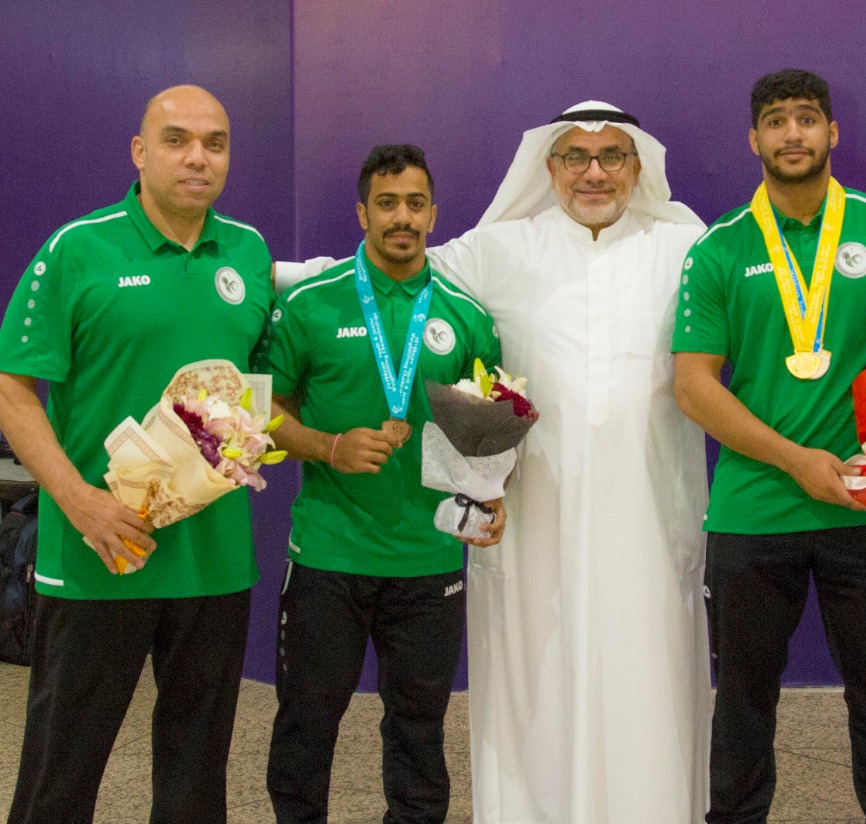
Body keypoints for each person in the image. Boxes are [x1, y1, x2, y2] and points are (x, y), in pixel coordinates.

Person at [277, 101, 713, 823]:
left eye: (612, 157)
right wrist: (254, 272)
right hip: (534, 524)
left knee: (646, 679)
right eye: (576, 156)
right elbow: (393, 265)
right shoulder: (503, 247)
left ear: (640, 167)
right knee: (536, 681)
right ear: (549, 167)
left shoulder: (686, 245)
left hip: (647, 521)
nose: (594, 172)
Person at [673, 69, 866, 824]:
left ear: (832, 132)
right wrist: (796, 461)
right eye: (776, 120)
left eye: (807, 119)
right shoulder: (718, 250)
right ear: (754, 140)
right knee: (741, 710)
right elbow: (694, 387)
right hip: (753, 512)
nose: (792, 133)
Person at [0, 85, 272, 824]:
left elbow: (259, 391)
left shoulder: (248, 252)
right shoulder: (78, 249)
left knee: (196, 775)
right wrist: (79, 501)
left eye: (215, 143)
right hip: (100, 550)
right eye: (178, 139)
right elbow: (13, 392)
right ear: (140, 152)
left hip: (213, 563)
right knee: (62, 769)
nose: (198, 157)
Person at [261, 144, 503, 824]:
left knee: (419, 731)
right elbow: (260, 411)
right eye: (388, 203)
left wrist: (490, 493)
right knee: (307, 725)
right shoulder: (311, 302)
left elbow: (488, 425)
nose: (403, 217)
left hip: (428, 560)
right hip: (328, 556)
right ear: (363, 211)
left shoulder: (466, 314)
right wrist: (327, 446)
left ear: (433, 213)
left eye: (416, 203)